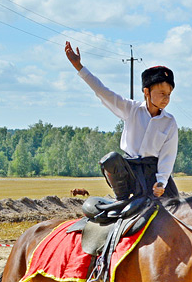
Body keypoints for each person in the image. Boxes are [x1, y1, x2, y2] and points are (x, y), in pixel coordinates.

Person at [65, 41, 179, 201]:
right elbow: (103, 92)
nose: (166, 98)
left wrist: (161, 182)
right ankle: (122, 201)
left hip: (153, 175)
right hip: (129, 173)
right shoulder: (131, 109)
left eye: (169, 94)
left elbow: (168, 156)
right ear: (147, 91)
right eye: (162, 93)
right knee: (110, 160)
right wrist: (79, 67)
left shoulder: (170, 122)